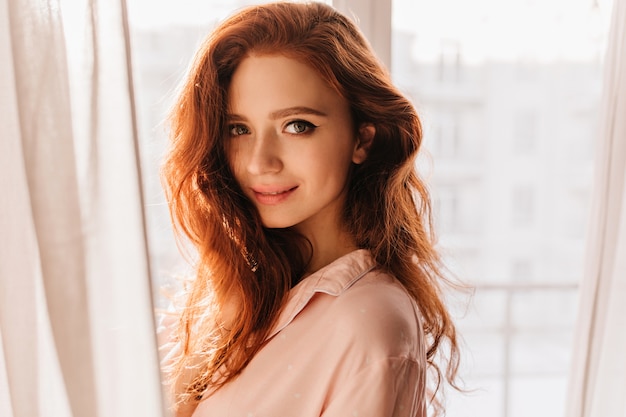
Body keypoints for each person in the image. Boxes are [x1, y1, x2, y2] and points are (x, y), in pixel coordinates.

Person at [160, 2, 461, 416]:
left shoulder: (368, 325)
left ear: (362, 140)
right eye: (238, 129)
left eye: (297, 125)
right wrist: (228, 308)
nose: (259, 162)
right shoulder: (242, 293)